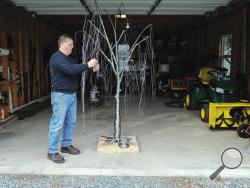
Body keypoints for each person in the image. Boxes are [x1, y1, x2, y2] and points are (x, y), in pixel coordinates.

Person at [47, 34, 99, 163]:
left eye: (72, 44)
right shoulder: (56, 58)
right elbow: (70, 70)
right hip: (60, 95)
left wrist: (93, 67)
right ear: (62, 44)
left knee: (70, 122)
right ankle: (52, 151)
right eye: (70, 44)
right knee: (57, 124)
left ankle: (65, 145)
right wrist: (87, 65)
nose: (72, 47)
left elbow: (77, 68)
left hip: (71, 94)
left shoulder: (70, 58)